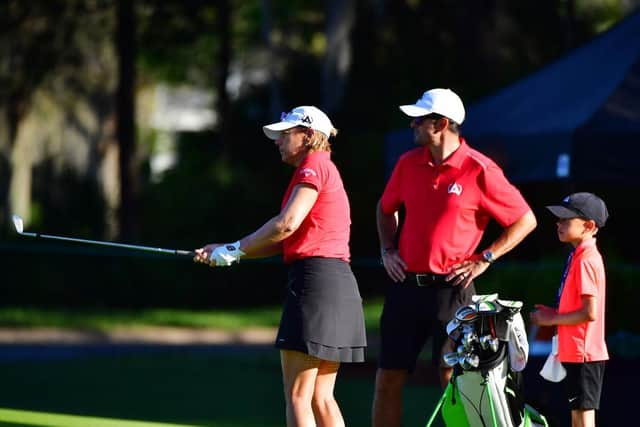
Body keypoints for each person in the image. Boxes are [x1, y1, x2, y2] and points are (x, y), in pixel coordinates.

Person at [372, 88, 537, 427]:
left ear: (442, 124)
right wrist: (388, 249)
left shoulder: (479, 169)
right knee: (387, 378)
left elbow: (525, 220)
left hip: (454, 291)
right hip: (405, 286)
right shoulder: (407, 163)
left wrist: (486, 257)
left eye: (418, 119)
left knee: (455, 383)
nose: (412, 124)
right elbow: (385, 208)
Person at [194, 106, 366, 427]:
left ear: (310, 136)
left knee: (299, 397)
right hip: (339, 287)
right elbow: (281, 240)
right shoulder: (325, 168)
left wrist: (235, 248)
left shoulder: (312, 166)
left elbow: (286, 224)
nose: (278, 141)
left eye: (286, 134)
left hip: (315, 286)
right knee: (321, 397)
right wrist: (232, 251)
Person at [530, 192, 609, 427]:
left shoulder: (586, 259)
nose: (558, 223)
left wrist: (552, 318)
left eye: (566, 219)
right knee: (578, 416)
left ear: (589, 226)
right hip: (576, 352)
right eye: (559, 218)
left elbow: (589, 312)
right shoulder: (579, 256)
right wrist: (554, 313)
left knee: (584, 418)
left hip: (584, 353)